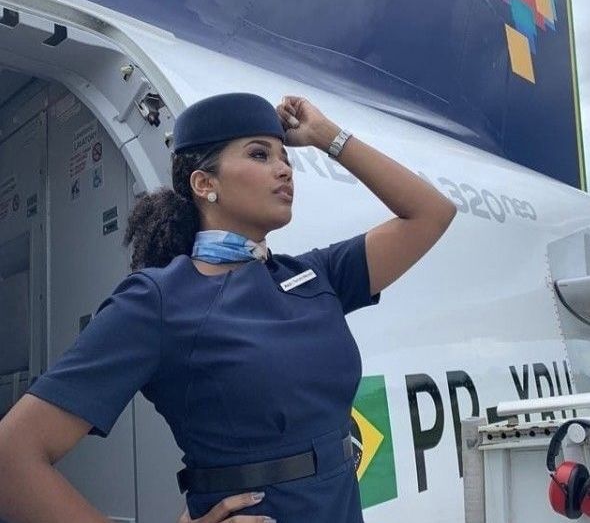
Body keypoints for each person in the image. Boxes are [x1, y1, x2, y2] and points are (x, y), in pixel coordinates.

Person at [0, 92, 457, 523]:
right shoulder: (159, 300)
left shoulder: (317, 275)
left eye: (285, 158)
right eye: (260, 155)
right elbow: (12, 458)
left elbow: (431, 213)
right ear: (204, 183)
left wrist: (326, 136)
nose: (284, 170)